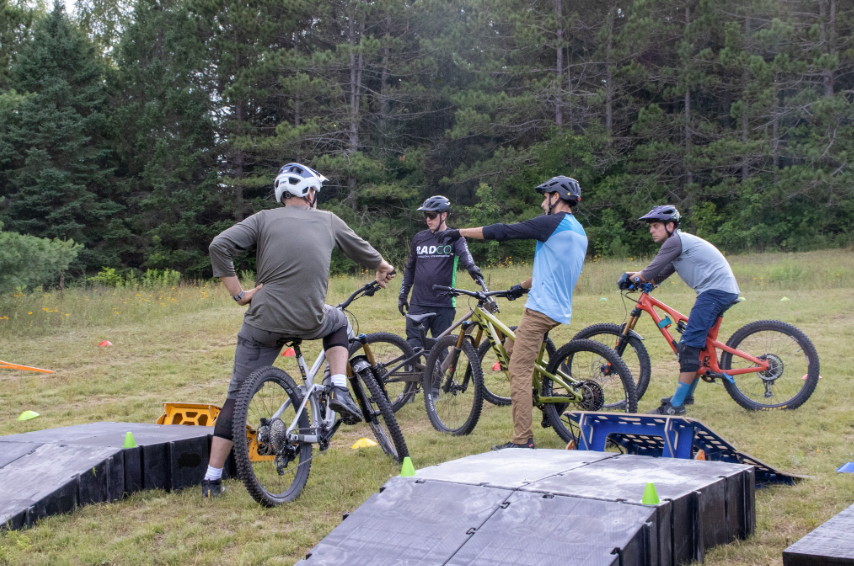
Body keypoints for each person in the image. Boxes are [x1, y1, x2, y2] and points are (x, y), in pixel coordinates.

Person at [202, 162, 395, 498]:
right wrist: (382, 266)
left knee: (235, 397)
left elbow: (219, 245)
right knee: (338, 319)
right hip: (309, 319)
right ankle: (339, 388)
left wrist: (240, 295)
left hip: (262, 321)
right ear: (309, 193)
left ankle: (211, 479)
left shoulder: (262, 219)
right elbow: (361, 249)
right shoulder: (328, 220)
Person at [436, 176, 587, 450]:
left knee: (518, 369)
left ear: (557, 196)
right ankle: (543, 399)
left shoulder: (553, 223)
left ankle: (522, 440)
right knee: (509, 346)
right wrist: (520, 287)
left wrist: (459, 232)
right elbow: (553, 269)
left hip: (541, 310)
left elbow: (503, 231)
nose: (543, 203)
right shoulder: (577, 231)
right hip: (557, 307)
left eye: (545, 197)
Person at [626, 205, 740, 415]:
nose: (651, 230)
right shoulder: (679, 245)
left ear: (670, 226)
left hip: (714, 292)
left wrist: (634, 277)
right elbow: (658, 274)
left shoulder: (674, 242)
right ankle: (685, 395)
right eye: (650, 227)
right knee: (698, 343)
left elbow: (650, 270)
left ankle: (675, 406)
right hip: (718, 291)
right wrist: (645, 280)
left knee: (688, 344)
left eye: (656, 226)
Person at [398, 195, 482, 351]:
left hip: (443, 305)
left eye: (432, 215)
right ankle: (415, 374)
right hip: (418, 303)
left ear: (444, 215)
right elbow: (410, 268)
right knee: (413, 347)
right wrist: (403, 295)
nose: (428, 219)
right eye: (425, 215)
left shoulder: (455, 237)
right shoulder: (419, 238)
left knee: (439, 350)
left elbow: (466, 256)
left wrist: (472, 269)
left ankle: (436, 376)